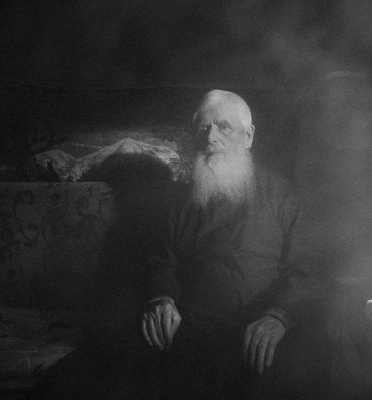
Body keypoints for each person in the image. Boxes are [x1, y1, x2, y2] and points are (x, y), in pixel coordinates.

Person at [139, 89, 330, 400]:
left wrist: (279, 317)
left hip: (263, 324)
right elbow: (160, 261)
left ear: (248, 136)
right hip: (193, 327)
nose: (210, 137)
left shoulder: (281, 196)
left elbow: (306, 267)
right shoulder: (179, 201)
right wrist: (161, 300)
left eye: (223, 127)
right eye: (203, 128)